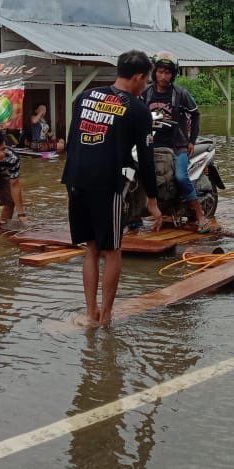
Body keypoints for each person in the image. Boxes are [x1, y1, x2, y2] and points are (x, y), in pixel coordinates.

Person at [61, 50, 163, 327]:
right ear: (139, 77)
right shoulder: (138, 109)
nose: (146, 86)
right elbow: (146, 158)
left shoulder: (86, 97)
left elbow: (72, 141)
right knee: (113, 249)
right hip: (106, 184)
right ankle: (106, 317)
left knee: (91, 248)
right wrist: (152, 201)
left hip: (75, 179)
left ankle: (90, 312)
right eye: (146, 80)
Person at [141, 52, 209, 232]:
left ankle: (200, 215)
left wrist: (191, 140)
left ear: (173, 74)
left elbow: (195, 115)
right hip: (151, 143)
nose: (163, 76)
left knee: (180, 177)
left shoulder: (180, 94)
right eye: (160, 72)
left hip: (177, 145)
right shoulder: (145, 93)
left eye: (167, 73)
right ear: (154, 72)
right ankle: (135, 217)